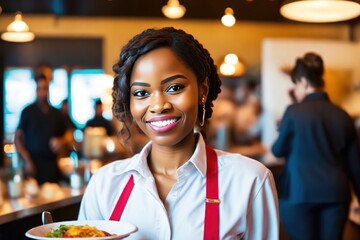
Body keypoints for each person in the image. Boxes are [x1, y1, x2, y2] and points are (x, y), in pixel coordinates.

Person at [78, 27, 279, 239]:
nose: (158, 106)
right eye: (141, 93)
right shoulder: (104, 184)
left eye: (174, 88)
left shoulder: (250, 181)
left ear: (202, 90)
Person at [272, 52, 360, 240]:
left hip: (300, 193)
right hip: (337, 194)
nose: (295, 90)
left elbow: (277, 150)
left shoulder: (294, 112)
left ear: (303, 82)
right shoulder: (342, 114)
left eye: (295, 84)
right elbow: (355, 165)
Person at [14, 74, 69, 185]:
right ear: (36, 90)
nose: (42, 92)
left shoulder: (56, 114)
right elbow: (17, 138)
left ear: (48, 90)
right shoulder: (27, 112)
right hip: (32, 165)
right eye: (40, 88)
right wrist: (27, 160)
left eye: (45, 88)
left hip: (52, 166)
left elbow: (68, 135)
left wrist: (61, 141)